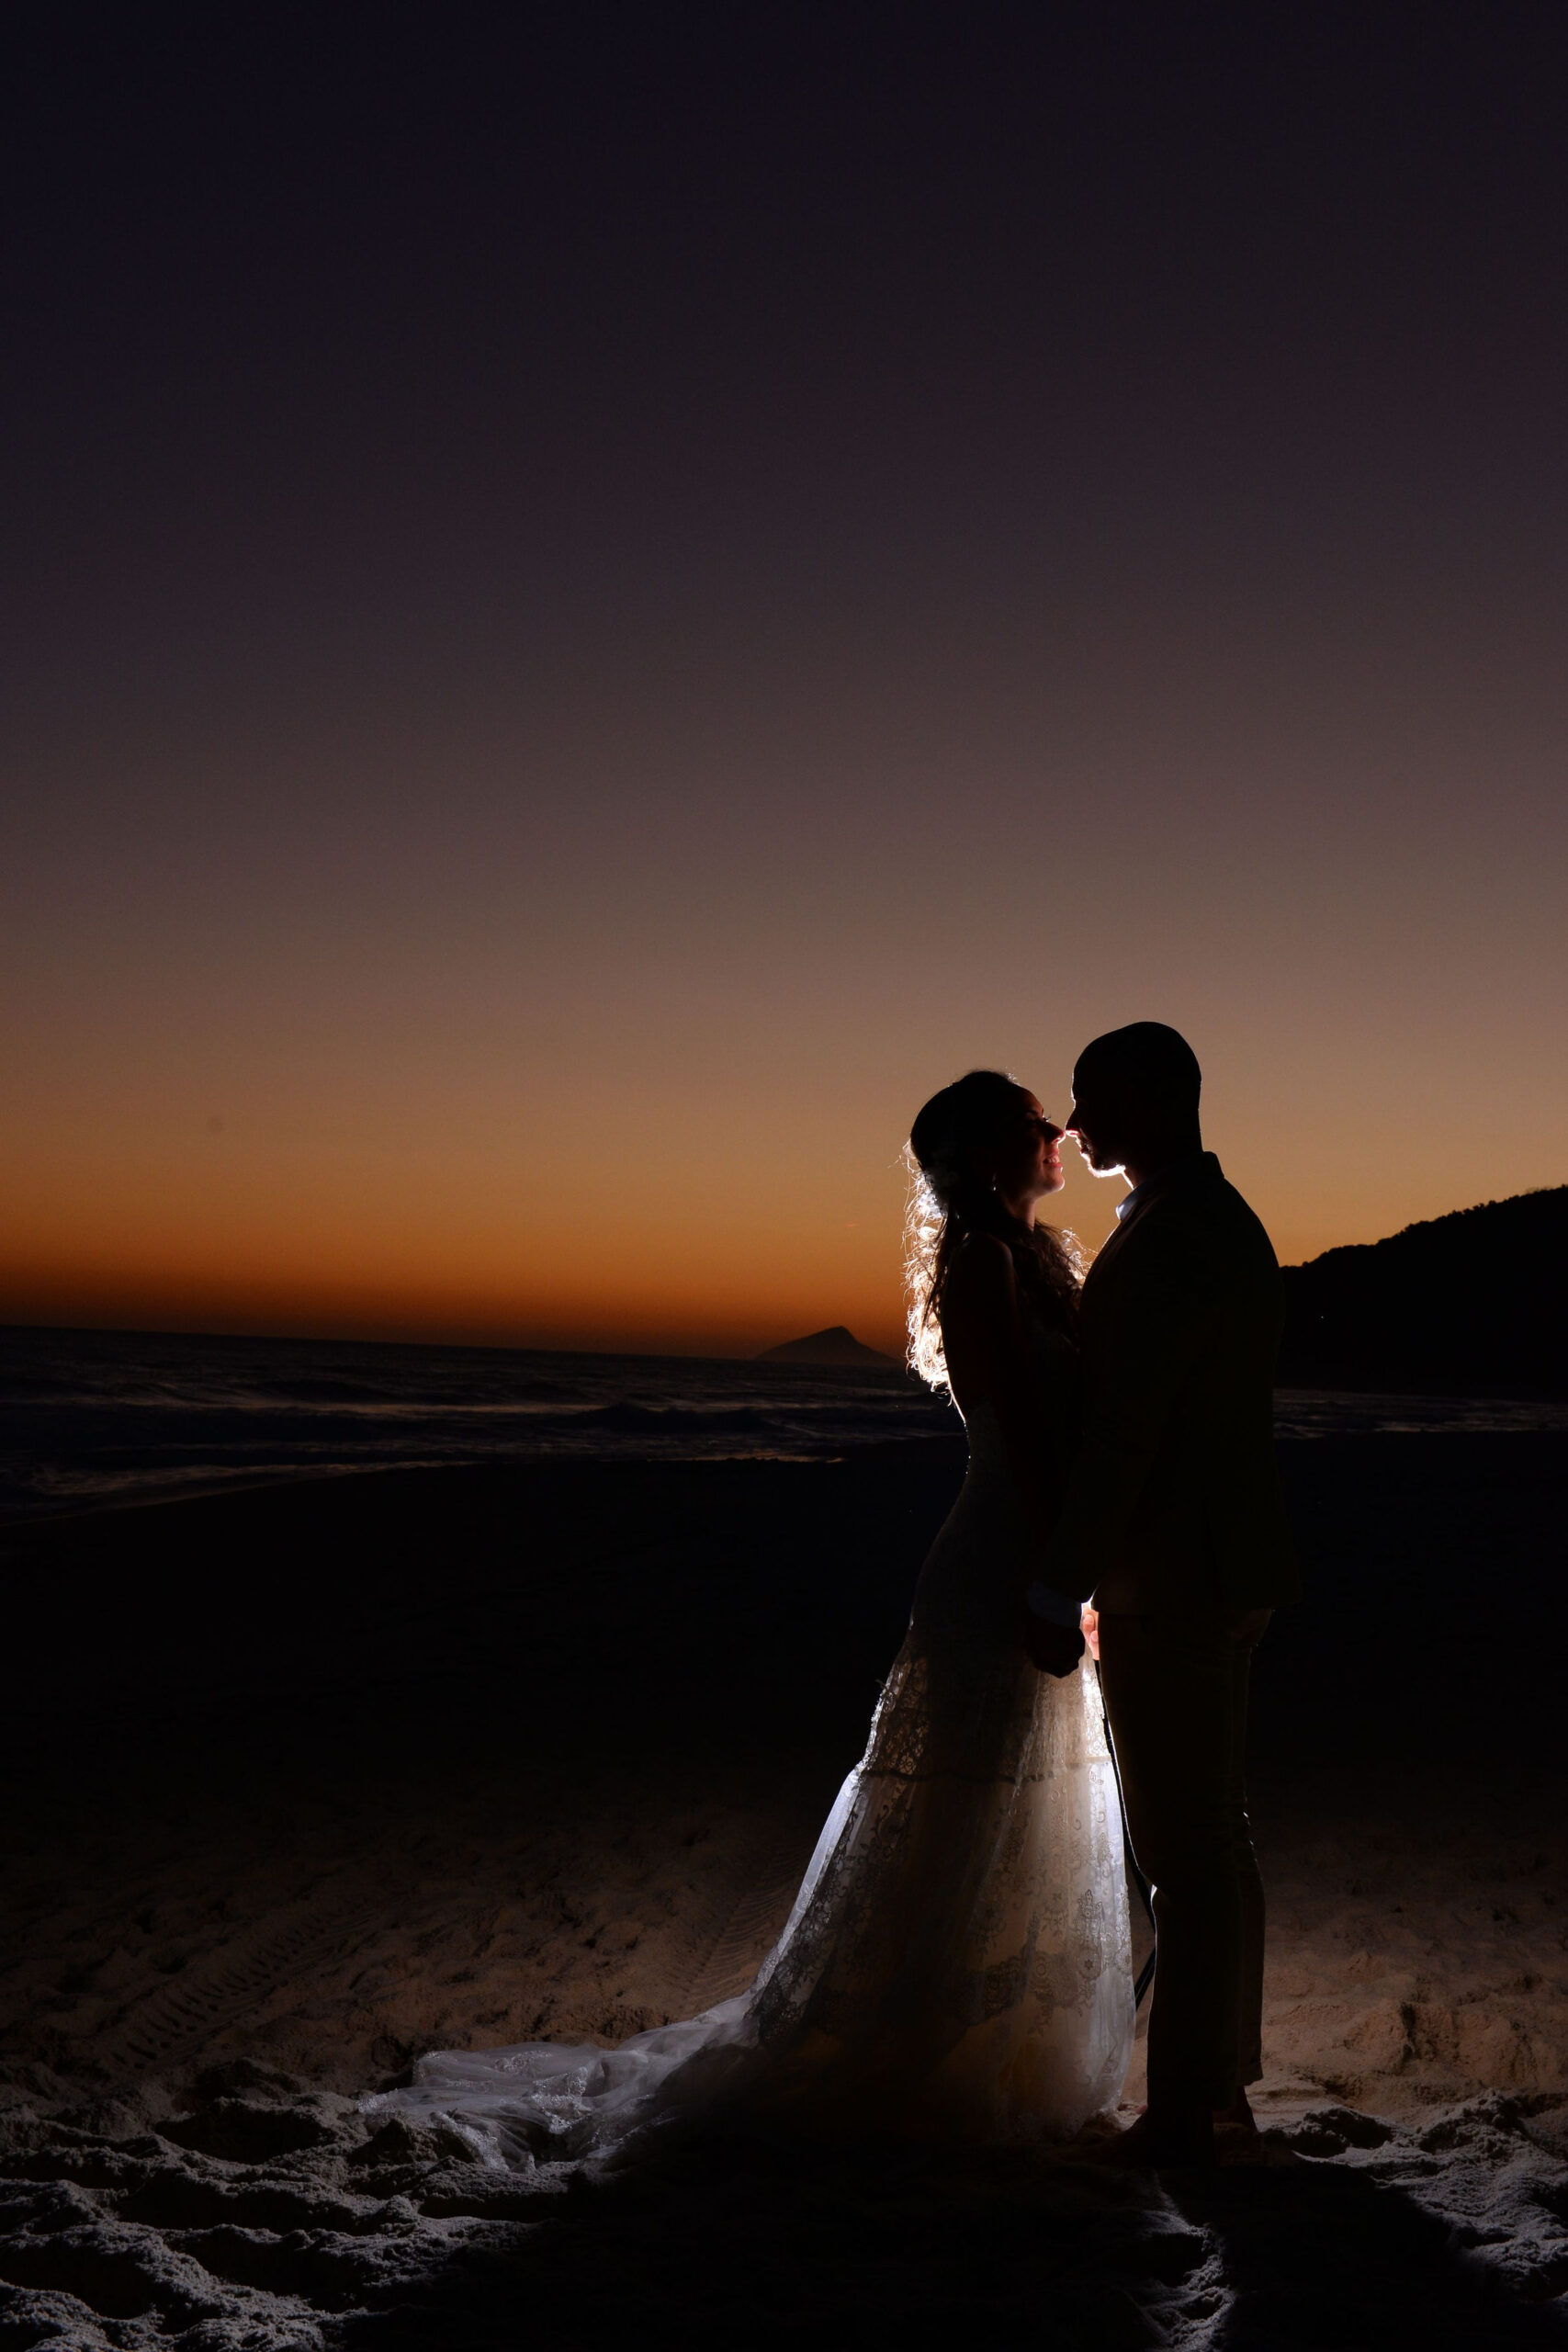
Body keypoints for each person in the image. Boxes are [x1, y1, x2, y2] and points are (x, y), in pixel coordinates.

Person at [371, 1070, 1132, 2162]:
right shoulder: (982, 1267)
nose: (1055, 1129)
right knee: (962, 1810)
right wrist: (1062, 1579)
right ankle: (919, 2047)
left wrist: (1077, 1571)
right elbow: (1023, 1442)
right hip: (999, 1561)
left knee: (1024, 1807)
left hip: (1035, 1551)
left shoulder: (1040, 1259)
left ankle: (988, 2040)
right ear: (980, 1154)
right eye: (1027, 1120)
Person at [1053, 1023, 1300, 2169]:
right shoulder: (1210, 1217)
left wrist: (1067, 1580)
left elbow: (1127, 1438)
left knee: (1185, 1851)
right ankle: (1221, 2095)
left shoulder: (1178, 1234)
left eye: (1092, 1098)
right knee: (1215, 1838)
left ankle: (1184, 2112)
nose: (1073, 1122)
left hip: (1181, 1575)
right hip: (1225, 1560)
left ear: (1154, 1101)